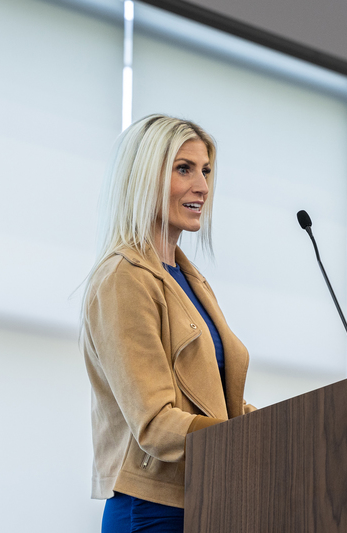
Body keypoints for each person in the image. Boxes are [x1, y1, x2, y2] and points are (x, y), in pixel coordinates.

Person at [81, 114, 255, 532]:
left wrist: (287, 429)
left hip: (203, 500)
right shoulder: (124, 279)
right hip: (151, 510)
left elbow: (215, 403)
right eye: (184, 169)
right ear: (145, 178)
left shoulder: (190, 281)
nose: (203, 186)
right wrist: (250, 440)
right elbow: (156, 424)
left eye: (206, 171)